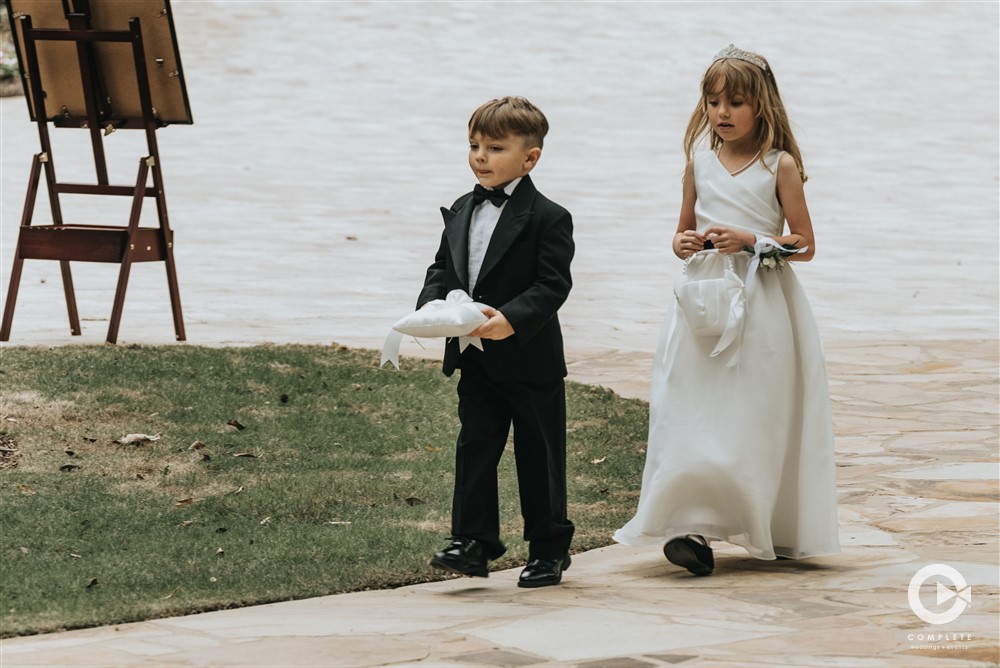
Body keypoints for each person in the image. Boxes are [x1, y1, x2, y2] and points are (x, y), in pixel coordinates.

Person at [613, 45, 840, 575]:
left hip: (762, 302)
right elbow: (680, 231)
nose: (723, 113)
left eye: (735, 102)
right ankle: (693, 527)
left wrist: (754, 239)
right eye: (714, 102)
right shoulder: (697, 162)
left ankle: (771, 520)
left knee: (753, 410)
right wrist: (684, 244)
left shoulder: (778, 165)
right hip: (702, 302)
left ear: (760, 105)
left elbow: (804, 245)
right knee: (691, 406)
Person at [419, 96, 575, 588]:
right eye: (474, 146)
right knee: (476, 448)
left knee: (539, 453)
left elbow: (552, 285)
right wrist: (433, 307)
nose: (480, 156)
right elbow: (442, 269)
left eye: (494, 147)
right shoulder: (463, 209)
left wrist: (511, 318)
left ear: (530, 158)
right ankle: (473, 542)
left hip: (531, 359)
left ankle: (549, 548)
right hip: (475, 356)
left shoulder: (549, 216)